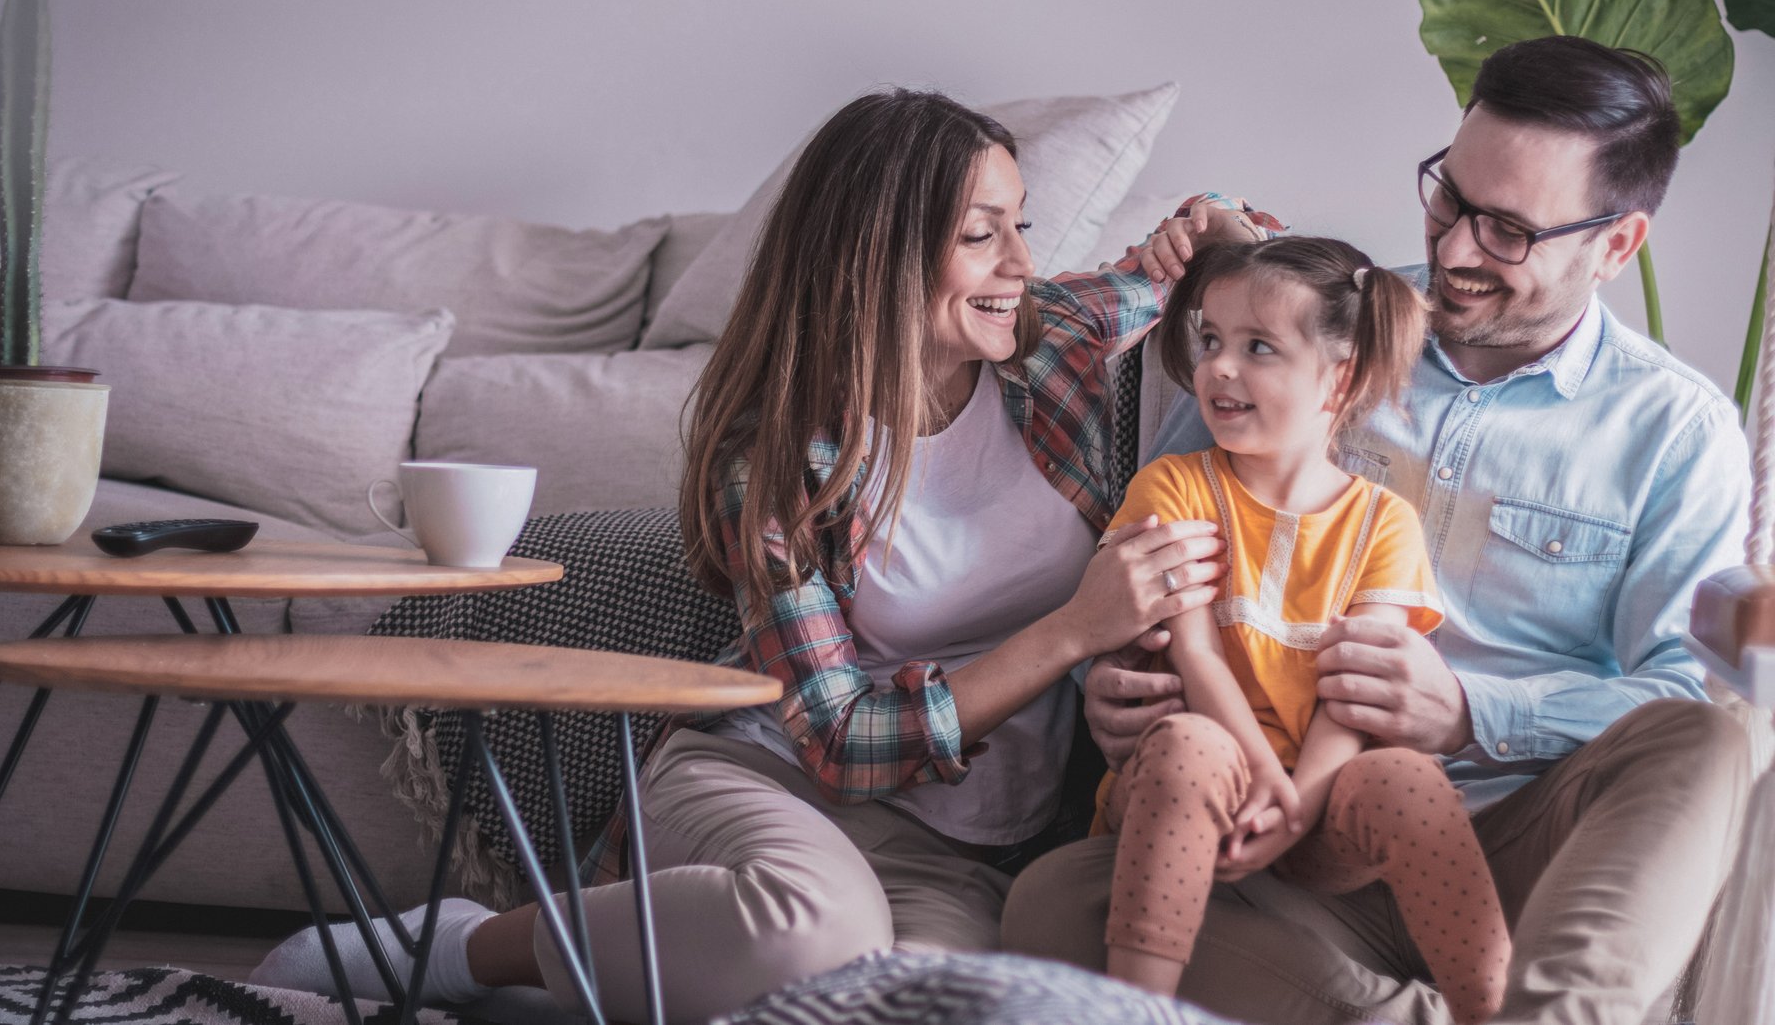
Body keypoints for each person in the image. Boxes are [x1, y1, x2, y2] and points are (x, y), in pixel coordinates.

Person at [250, 89, 1249, 1024]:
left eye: (1020, 226)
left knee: (951, 1005)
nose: (1021, 263)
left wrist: (1218, 236)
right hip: (774, 785)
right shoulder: (775, 460)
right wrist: (1074, 630)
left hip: (958, 851)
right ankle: (475, 950)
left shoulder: (1047, 343)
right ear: (879, 255)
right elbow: (839, 739)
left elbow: (1232, 297)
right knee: (813, 934)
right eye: (982, 236)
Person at [1001, 35, 1754, 1025]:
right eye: (1448, 195)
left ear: (1615, 245)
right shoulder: (1304, 332)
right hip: (1282, 856)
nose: (1452, 249)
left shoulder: (1674, 432)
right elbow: (1155, 557)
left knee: (1708, 739)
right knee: (1055, 903)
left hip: (1525, 857)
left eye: (1509, 232)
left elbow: (1670, 693)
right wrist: (1108, 682)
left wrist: (1472, 713)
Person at [1097, 236, 1509, 1024]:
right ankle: (1129, 1011)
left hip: (1315, 804)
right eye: (1211, 340)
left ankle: (1497, 1010)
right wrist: (1266, 784)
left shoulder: (1384, 523)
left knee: (1411, 782)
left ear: (1339, 380)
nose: (1219, 367)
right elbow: (1193, 650)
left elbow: (1354, 698)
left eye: (1259, 348)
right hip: (1192, 785)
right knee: (1191, 746)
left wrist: (1297, 808)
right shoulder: (1174, 485)